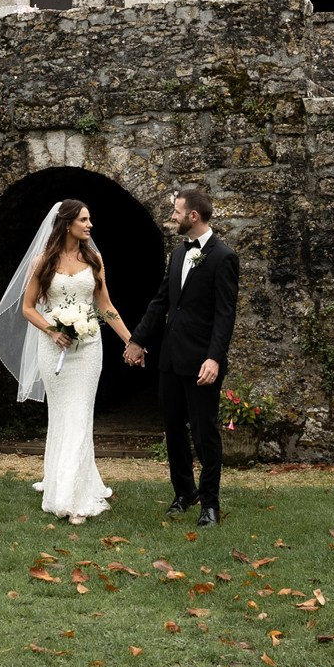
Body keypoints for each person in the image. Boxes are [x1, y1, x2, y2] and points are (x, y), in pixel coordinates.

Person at [0, 199, 134, 523]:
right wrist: (53, 331)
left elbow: (105, 306)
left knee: (81, 414)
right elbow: (27, 308)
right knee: (63, 415)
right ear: (68, 224)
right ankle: (62, 484)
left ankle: (74, 497)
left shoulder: (94, 259)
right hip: (54, 348)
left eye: (90, 219)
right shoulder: (43, 261)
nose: (90, 225)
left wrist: (130, 340)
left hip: (89, 348)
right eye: (84, 219)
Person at [123, 184, 238, 527]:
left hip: (203, 361)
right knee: (173, 429)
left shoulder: (223, 257)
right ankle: (184, 492)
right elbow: (161, 301)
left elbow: (225, 314)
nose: (171, 216)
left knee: (205, 434)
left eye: (175, 211)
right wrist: (137, 340)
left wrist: (214, 358)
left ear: (193, 215)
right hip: (170, 360)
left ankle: (210, 504)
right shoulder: (177, 254)